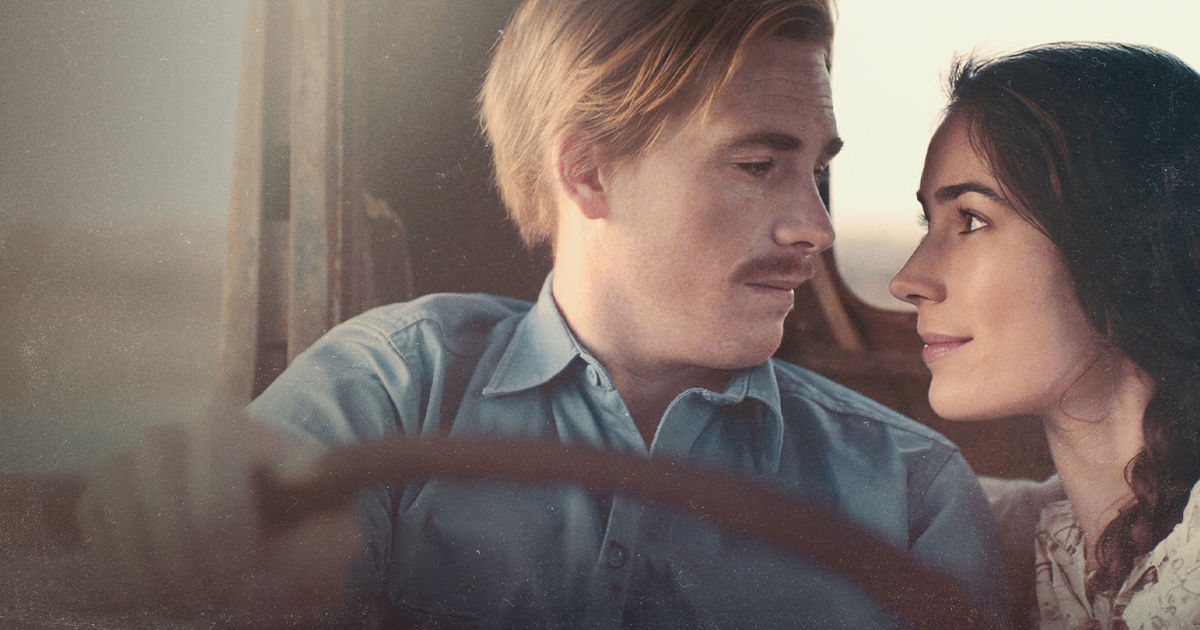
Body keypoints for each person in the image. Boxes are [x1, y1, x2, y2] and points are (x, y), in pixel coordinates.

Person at [76, 1, 1006, 627]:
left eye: (815, 171)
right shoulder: (390, 387)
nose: (814, 226)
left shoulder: (913, 491)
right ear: (588, 171)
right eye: (758, 166)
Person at [889, 43, 1200, 629]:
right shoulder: (1055, 532)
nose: (907, 280)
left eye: (972, 220)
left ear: (1120, 250)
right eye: (928, 222)